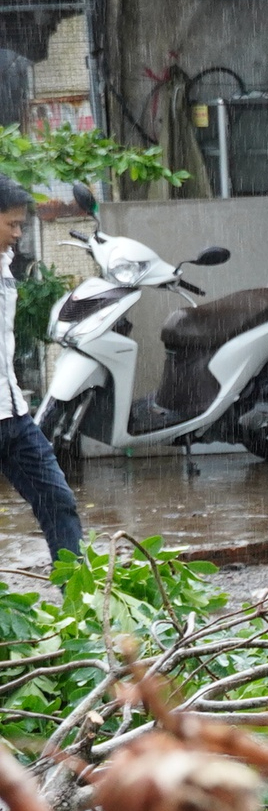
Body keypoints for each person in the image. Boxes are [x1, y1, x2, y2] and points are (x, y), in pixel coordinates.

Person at [0, 178, 82, 564]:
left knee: (57, 499)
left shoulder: (4, 262)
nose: (18, 234)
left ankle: (77, 591)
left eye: (21, 225)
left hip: (13, 415)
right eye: (12, 225)